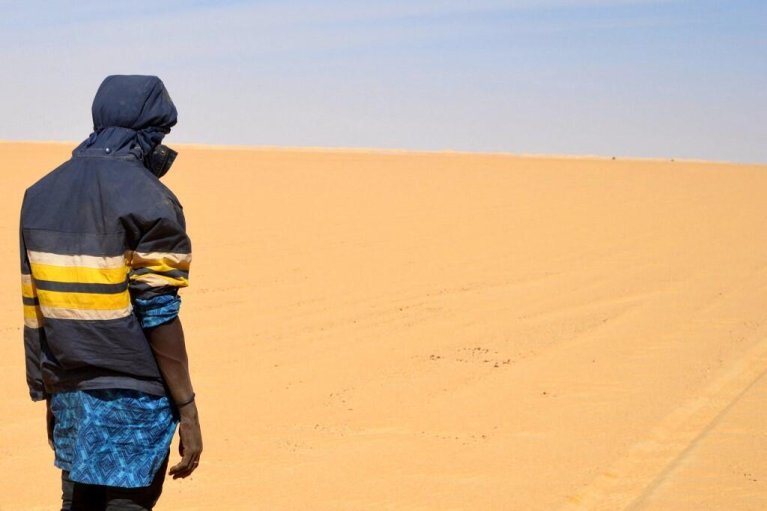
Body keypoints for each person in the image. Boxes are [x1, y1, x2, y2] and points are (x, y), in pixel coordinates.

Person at [19, 75, 203, 511]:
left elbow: (36, 307)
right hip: (134, 396)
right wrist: (189, 409)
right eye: (162, 131)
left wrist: (50, 391)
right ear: (150, 130)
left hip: (71, 389)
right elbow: (157, 311)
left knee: (76, 502)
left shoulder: (39, 193)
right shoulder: (152, 200)